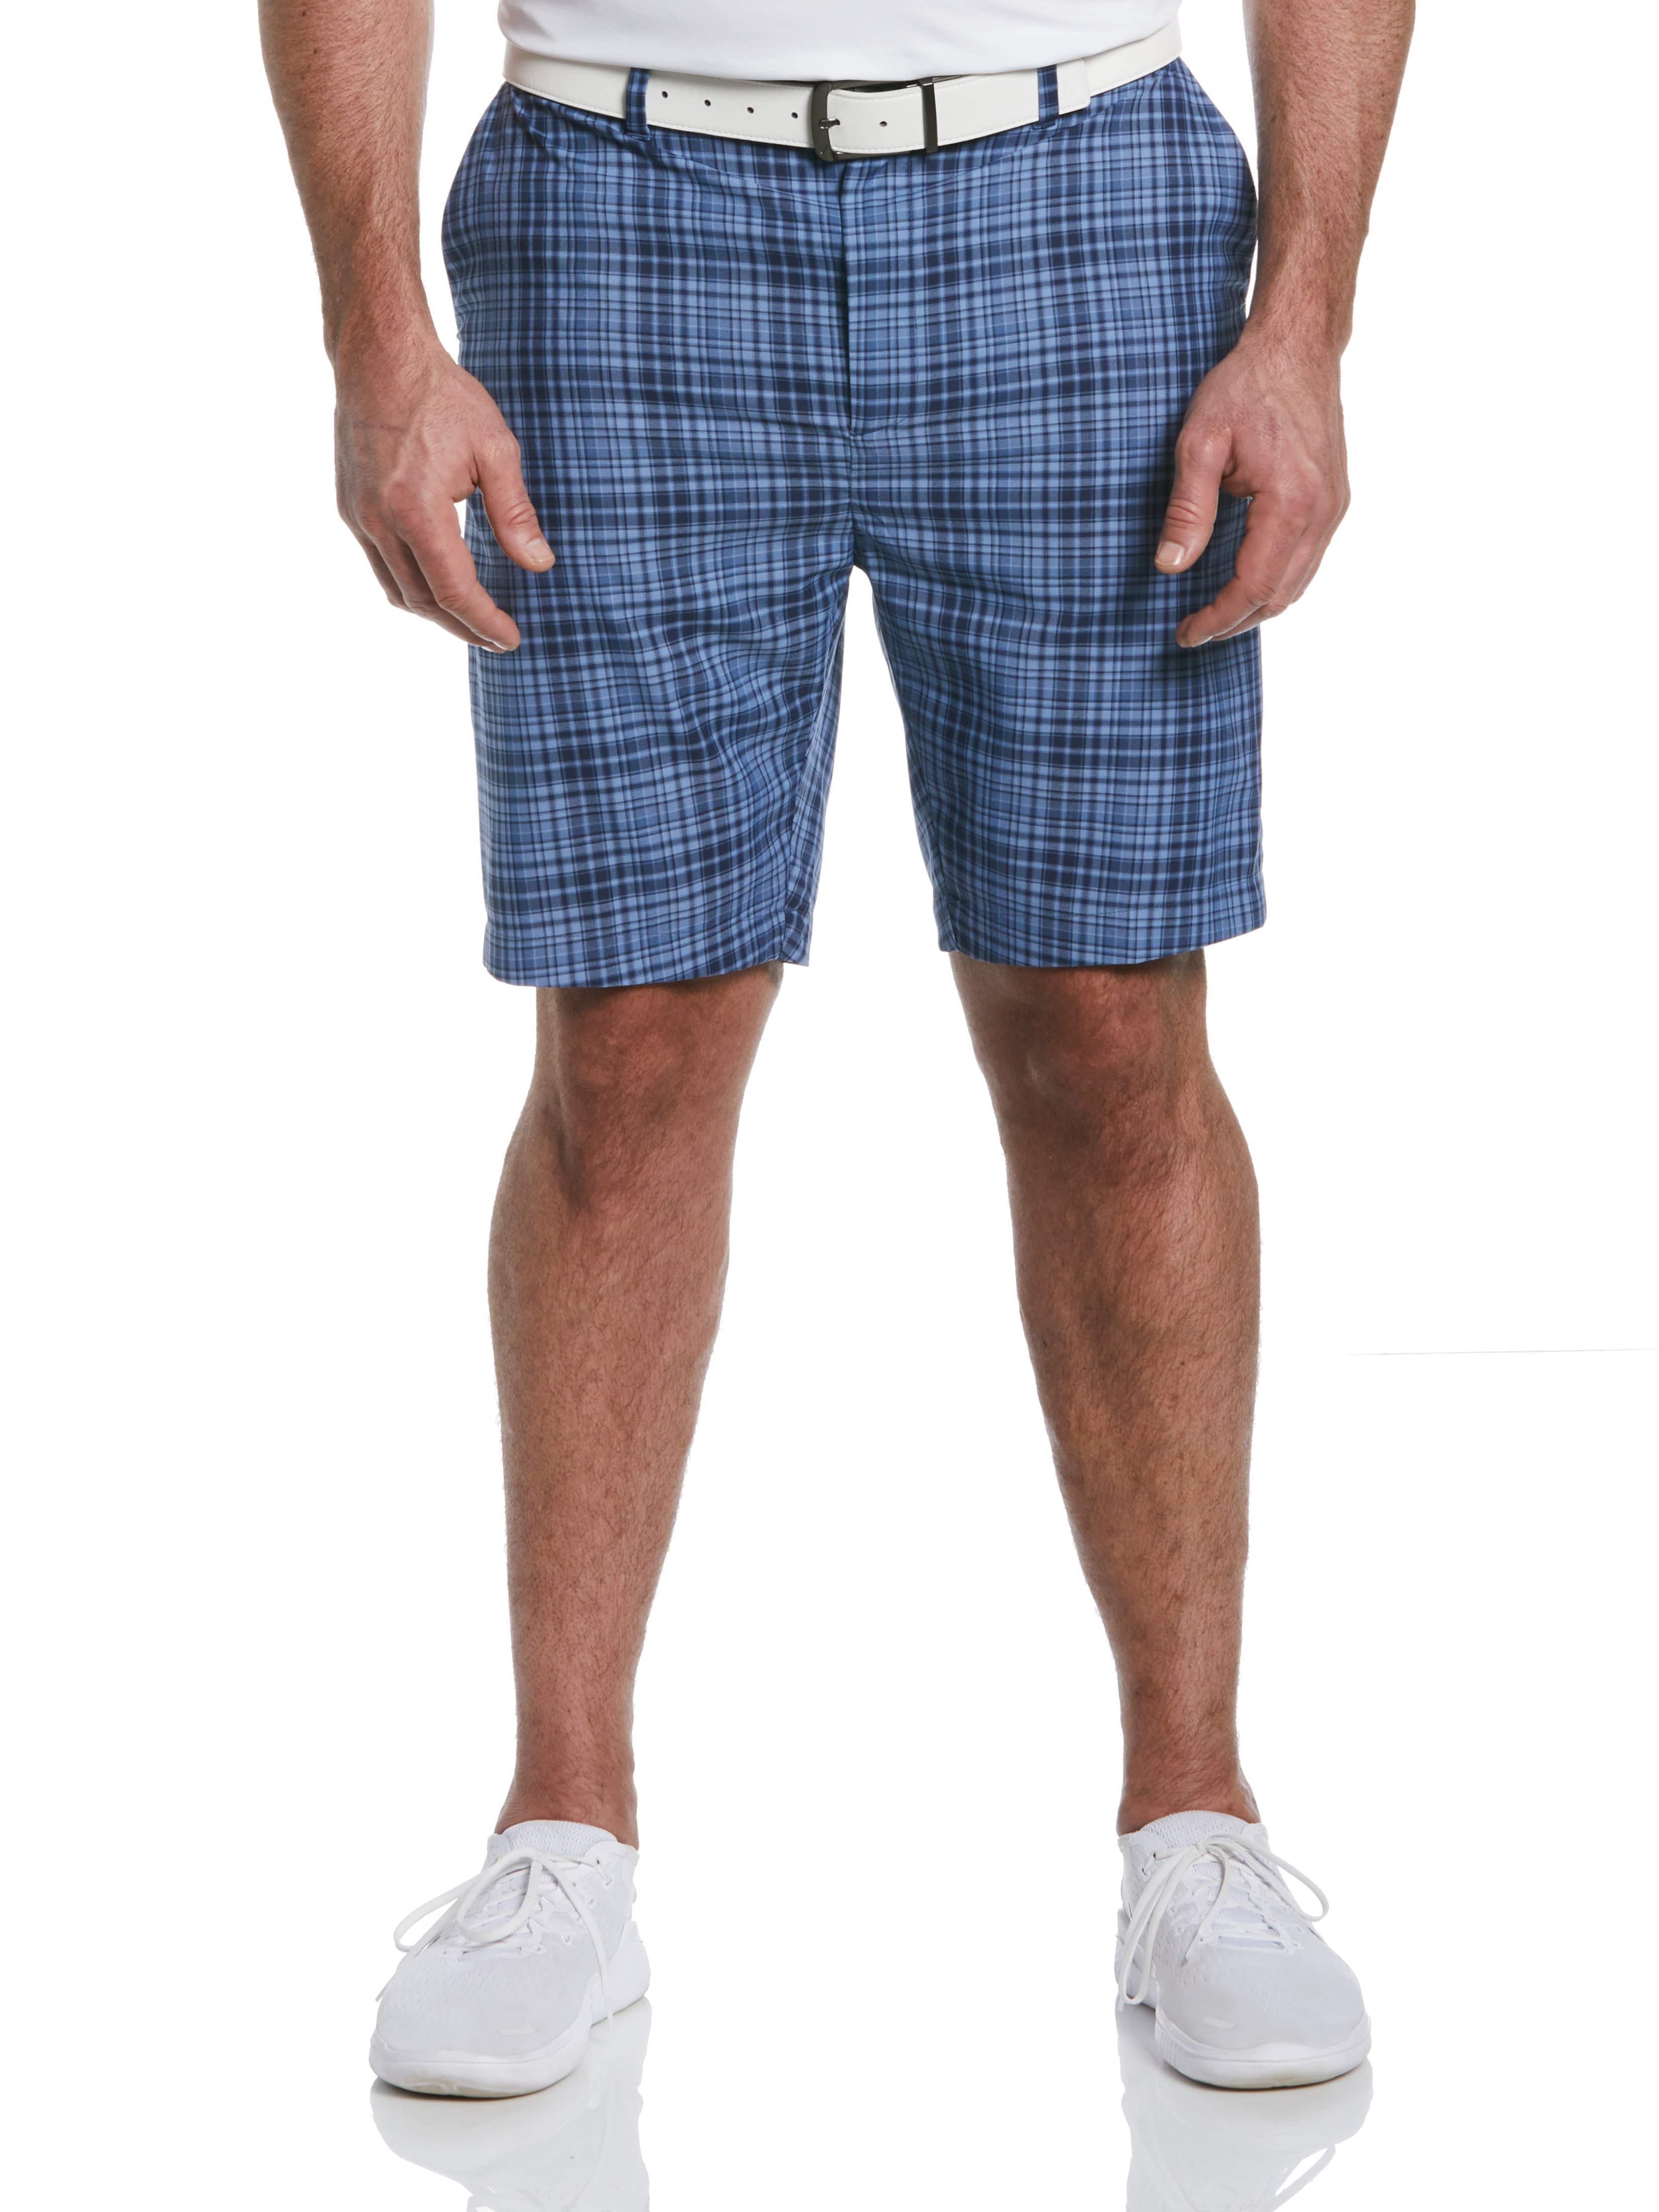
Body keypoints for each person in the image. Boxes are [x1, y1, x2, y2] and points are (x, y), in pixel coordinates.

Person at [261, 0, 1411, 2100]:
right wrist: (374, 338)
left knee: (1111, 1020)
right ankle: (562, 1834)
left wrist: (1307, 318)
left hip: (1083, 191)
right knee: (630, 1034)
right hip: (614, 204)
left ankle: (1197, 1822)